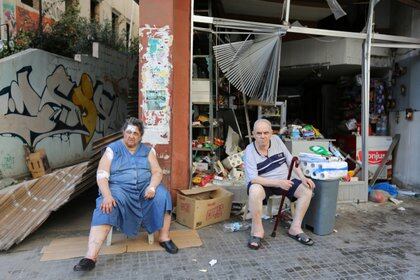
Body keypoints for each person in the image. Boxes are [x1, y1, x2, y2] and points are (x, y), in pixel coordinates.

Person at [74, 117, 178, 271]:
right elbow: (102, 174)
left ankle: (164, 238)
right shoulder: (112, 149)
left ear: (140, 136)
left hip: (144, 188)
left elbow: (157, 171)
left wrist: (152, 187)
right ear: (123, 132)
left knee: (163, 195)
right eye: (128, 132)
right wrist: (108, 195)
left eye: (135, 133)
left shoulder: (147, 150)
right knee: (106, 206)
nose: (131, 135)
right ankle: (90, 257)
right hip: (119, 189)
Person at [244, 119, 316, 250]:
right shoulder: (249, 150)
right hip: (263, 183)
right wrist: (278, 183)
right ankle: (257, 232)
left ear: (271, 133)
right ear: (253, 134)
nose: (262, 136)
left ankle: (295, 228)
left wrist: (302, 177)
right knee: (254, 190)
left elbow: (290, 160)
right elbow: (253, 178)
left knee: (306, 190)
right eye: (258, 133)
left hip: (285, 179)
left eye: (266, 132)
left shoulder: (277, 140)